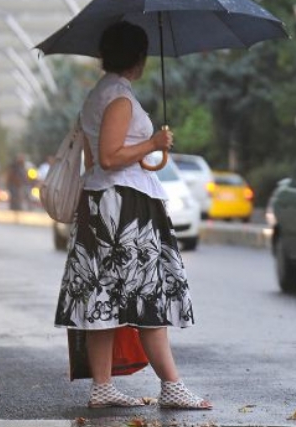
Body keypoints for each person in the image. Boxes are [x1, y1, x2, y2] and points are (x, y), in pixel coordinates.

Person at [54, 21, 212, 410]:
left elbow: (95, 160)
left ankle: (103, 387)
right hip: (124, 210)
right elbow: (109, 158)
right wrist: (153, 142)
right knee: (147, 295)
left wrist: (145, 153)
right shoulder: (120, 98)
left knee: (102, 299)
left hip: (100, 205)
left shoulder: (97, 95)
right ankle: (172, 385)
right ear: (138, 59)